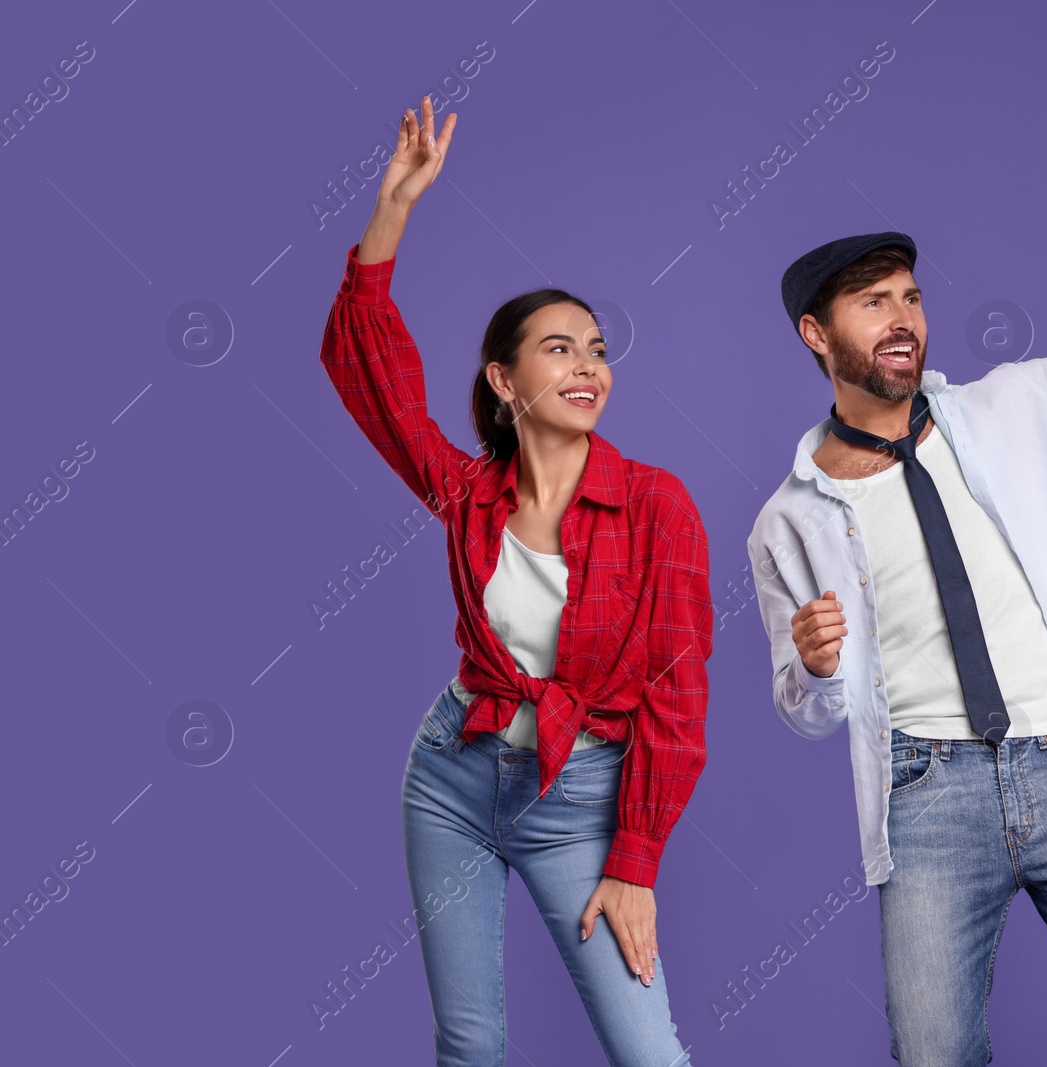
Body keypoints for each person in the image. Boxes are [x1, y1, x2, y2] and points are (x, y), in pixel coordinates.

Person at [745, 60, 1047, 1065]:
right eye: (871, 302)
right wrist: (817, 665)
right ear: (815, 333)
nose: (901, 318)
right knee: (932, 1054)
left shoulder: (1014, 407)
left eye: (910, 296)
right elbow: (803, 708)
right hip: (925, 792)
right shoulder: (786, 520)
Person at [320, 96, 710, 1067]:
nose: (588, 365)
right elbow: (371, 374)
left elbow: (678, 691)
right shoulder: (467, 493)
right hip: (452, 774)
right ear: (503, 380)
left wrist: (635, 860)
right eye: (558, 346)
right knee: (470, 1045)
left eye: (597, 347)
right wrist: (394, 209)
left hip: (581, 798)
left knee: (650, 1055)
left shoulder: (657, 503)